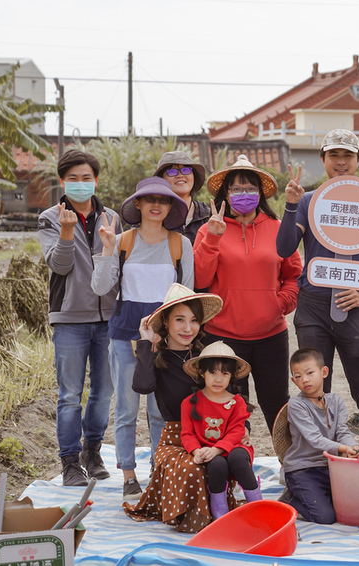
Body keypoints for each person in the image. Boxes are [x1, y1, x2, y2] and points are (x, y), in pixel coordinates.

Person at [277, 129, 359, 408]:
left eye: (348, 155)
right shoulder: (308, 200)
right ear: (323, 159)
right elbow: (284, 248)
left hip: (354, 306)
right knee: (313, 384)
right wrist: (291, 206)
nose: (341, 161)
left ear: (358, 160)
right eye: (334, 155)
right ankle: (319, 436)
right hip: (312, 306)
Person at [91, 177, 194, 500]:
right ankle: (128, 475)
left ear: (171, 206)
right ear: (137, 204)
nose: (156, 205)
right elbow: (100, 287)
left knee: (160, 411)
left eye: (163, 200)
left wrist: (176, 335)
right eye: (149, 199)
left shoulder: (180, 244)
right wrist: (107, 248)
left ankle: (159, 469)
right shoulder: (122, 241)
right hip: (125, 337)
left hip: (165, 341)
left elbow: (186, 296)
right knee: (126, 409)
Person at [194, 155, 302, 433]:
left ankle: (287, 456)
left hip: (271, 335)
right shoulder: (209, 229)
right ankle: (234, 458)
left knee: (277, 404)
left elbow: (293, 275)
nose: (244, 194)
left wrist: (279, 304)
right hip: (223, 336)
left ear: (260, 193)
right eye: (237, 189)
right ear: (226, 193)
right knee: (228, 407)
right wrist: (213, 238)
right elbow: (200, 279)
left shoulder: (278, 228)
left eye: (250, 188)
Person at [38, 149, 120, 486]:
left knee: (104, 392)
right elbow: (59, 266)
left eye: (86, 178)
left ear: (96, 181)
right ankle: (70, 462)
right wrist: (67, 232)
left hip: (109, 319)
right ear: (62, 182)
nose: (80, 183)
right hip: (69, 318)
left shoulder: (111, 217)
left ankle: (92, 450)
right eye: (73, 178)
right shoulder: (50, 218)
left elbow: (117, 266)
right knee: (70, 394)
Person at [123, 283, 230, 532]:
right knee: (192, 469)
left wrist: (241, 428)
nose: (187, 328)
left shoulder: (208, 357)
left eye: (194, 321)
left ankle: (222, 513)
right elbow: (142, 386)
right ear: (166, 323)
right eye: (180, 320)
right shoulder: (157, 359)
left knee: (223, 462)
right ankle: (194, 517)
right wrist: (145, 341)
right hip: (175, 440)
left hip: (211, 435)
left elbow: (233, 394)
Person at [280, 347, 359, 524]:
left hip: (330, 467)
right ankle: (290, 498)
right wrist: (343, 448)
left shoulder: (335, 400)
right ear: (293, 380)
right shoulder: (296, 404)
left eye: (310, 373)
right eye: (298, 376)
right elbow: (314, 439)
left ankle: (313, 494)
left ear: (324, 372)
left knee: (353, 506)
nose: (304, 379)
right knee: (325, 517)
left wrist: (353, 446)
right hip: (303, 469)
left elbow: (343, 431)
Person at [181, 341, 262, 520]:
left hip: (235, 446)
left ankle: (258, 506)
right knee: (217, 465)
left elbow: (237, 432)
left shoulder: (237, 402)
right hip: (207, 449)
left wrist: (217, 449)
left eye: (225, 373)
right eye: (213, 372)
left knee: (237, 459)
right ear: (201, 372)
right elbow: (187, 434)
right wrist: (196, 451)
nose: (218, 379)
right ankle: (220, 514)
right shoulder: (189, 403)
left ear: (232, 376)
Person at [154, 151, 209, 243]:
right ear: (161, 180)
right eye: (172, 172)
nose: (180, 176)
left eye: (186, 170)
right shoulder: (152, 215)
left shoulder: (207, 215)